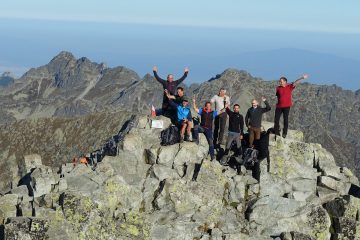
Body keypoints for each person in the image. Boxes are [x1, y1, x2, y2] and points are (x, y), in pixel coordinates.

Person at [274, 74, 309, 138]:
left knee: (285, 119)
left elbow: (296, 82)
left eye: (281, 81)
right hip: (279, 106)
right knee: (276, 119)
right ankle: (277, 133)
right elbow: (278, 96)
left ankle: (284, 133)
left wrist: (302, 78)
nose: (280, 82)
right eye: (279, 81)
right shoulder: (278, 88)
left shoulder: (289, 87)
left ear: (285, 82)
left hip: (286, 106)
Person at [192, 97, 226, 161]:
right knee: (196, 126)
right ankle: (196, 140)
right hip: (202, 127)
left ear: (210, 106)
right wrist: (194, 102)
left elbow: (222, 111)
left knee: (211, 142)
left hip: (209, 129)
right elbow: (195, 108)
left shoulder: (213, 113)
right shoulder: (202, 111)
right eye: (207, 106)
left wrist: (225, 105)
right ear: (205, 106)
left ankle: (212, 156)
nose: (208, 107)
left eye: (209, 106)